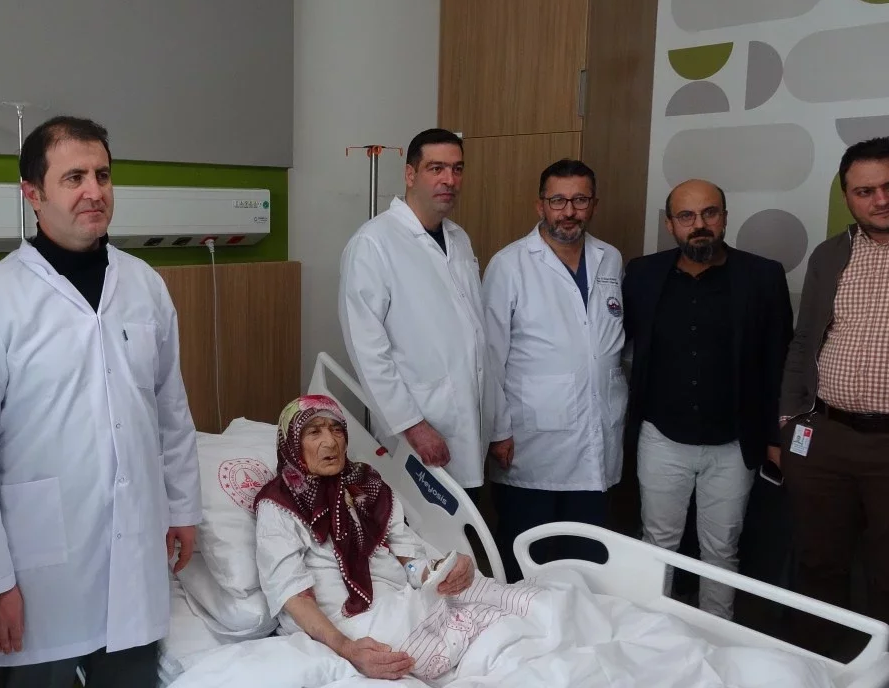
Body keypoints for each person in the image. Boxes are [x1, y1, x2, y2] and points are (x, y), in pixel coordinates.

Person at [0, 115, 202, 688]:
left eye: (102, 175)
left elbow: (171, 411)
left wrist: (183, 508)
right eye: (74, 178)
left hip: (136, 553)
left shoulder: (145, 286)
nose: (94, 191)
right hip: (37, 571)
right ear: (32, 194)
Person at [779, 136, 889, 677]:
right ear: (847, 196)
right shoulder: (829, 254)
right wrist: (789, 415)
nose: (880, 200)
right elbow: (804, 340)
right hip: (824, 437)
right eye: (865, 191)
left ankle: (886, 676)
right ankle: (818, 671)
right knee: (817, 563)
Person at [622, 179, 793, 620]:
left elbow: (780, 361)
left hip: (734, 442)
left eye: (709, 213)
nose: (699, 224)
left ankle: (715, 637)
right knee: (657, 543)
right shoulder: (642, 274)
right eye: (686, 216)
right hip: (661, 436)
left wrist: (774, 437)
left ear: (724, 218)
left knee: (722, 549)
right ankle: (651, 632)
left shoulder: (763, 276)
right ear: (670, 224)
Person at [254, 395, 476, 681]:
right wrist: (347, 649)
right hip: (341, 622)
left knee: (491, 621)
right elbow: (292, 594)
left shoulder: (366, 484)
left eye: (336, 429)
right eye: (314, 432)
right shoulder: (278, 505)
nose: (330, 442)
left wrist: (441, 573)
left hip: (401, 601)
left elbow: (407, 556)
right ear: (292, 444)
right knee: (450, 647)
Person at [481, 159, 626, 582]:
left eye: (579, 200)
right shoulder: (510, 264)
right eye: (558, 200)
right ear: (540, 205)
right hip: (532, 443)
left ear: (593, 204)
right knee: (528, 563)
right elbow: (489, 357)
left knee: (586, 563)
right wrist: (498, 431)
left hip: (597, 437)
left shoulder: (610, 259)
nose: (569, 211)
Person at [338, 128, 489, 499]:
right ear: (410, 174)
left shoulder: (458, 239)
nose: (449, 179)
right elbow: (368, 350)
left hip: (467, 421)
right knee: (425, 525)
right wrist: (413, 425)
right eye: (436, 168)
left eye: (457, 169)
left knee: (466, 522)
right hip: (419, 429)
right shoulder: (373, 243)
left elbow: (475, 333)